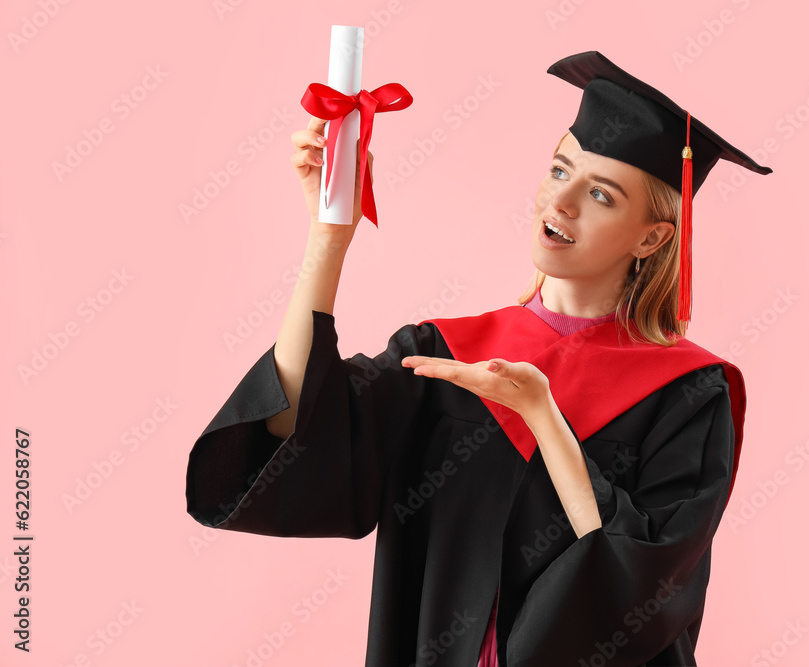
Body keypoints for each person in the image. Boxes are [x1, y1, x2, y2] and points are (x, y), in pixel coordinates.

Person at [185, 50, 772, 666]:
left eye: (600, 194)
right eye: (559, 169)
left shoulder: (687, 394)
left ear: (652, 237)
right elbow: (292, 429)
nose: (561, 202)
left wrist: (545, 419)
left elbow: (646, 584)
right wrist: (329, 237)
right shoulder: (444, 355)